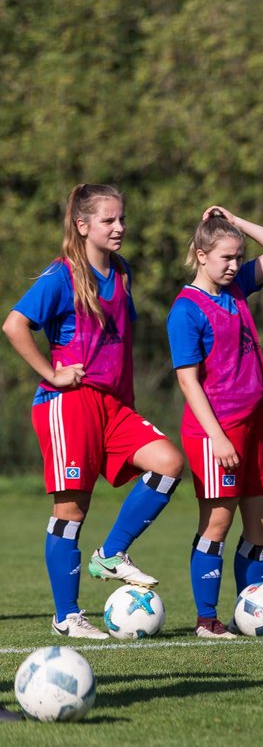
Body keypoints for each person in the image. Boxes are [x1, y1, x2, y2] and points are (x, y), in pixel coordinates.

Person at [2, 184, 185, 639]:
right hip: (69, 404)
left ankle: (112, 553)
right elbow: (14, 324)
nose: (119, 227)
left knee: (168, 463)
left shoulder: (121, 272)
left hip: (115, 407)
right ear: (83, 226)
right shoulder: (62, 275)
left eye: (121, 218)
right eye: (109, 220)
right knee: (71, 511)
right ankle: (68, 617)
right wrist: (52, 372)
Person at [166, 207, 263, 638]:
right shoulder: (186, 310)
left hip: (255, 421)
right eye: (225, 257)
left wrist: (236, 222)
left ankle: (250, 612)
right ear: (201, 255)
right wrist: (218, 437)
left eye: (239, 256)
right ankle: (206, 619)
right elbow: (188, 381)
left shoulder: (237, 289)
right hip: (215, 430)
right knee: (217, 523)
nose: (235, 265)